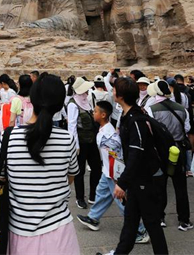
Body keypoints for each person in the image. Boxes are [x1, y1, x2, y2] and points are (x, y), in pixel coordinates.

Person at [0, 74, 80, 255]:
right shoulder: (66, 139)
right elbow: (70, 177)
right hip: (60, 231)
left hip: (19, 232)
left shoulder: (8, 137)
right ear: (59, 104)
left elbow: (1, 178)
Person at [76, 100, 150, 245]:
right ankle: (93, 218)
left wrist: (118, 179)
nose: (93, 113)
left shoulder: (109, 135)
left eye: (95, 111)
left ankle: (140, 230)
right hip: (107, 171)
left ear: (103, 115)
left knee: (122, 202)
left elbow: (116, 157)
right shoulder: (105, 130)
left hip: (113, 172)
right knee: (101, 193)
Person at [110, 77, 169, 255]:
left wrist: (122, 182)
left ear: (120, 96)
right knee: (130, 222)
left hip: (146, 179)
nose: (112, 92)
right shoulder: (130, 114)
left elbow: (136, 153)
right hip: (139, 180)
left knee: (151, 223)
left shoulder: (136, 120)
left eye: (114, 90)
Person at [145, 80, 192, 231]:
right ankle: (184, 220)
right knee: (180, 186)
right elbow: (187, 128)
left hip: (160, 151)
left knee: (160, 184)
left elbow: (149, 131)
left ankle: (160, 217)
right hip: (178, 150)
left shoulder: (151, 109)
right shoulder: (182, 109)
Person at [68, 76, 100, 209]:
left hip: (92, 140)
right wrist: (75, 145)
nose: (87, 92)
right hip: (81, 141)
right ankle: (80, 198)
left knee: (97, 168)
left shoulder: (88, 100)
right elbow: (72, 125)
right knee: (79, 172)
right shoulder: (72, 104)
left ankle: (93, 194)